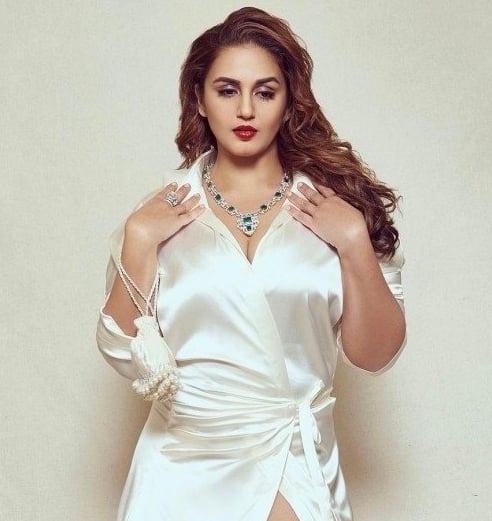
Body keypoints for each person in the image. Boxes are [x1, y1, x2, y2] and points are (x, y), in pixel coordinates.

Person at [96, 6, 406, 521]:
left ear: (288, 102)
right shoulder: (158, 214)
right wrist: (139, 241)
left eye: (265, 92)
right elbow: (127, 357)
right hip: (176, 473)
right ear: (199, 99)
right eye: (227, 90)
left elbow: (375, 355)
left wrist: (354, 242)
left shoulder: (338, 212)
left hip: (296, 459)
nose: (245, 110)